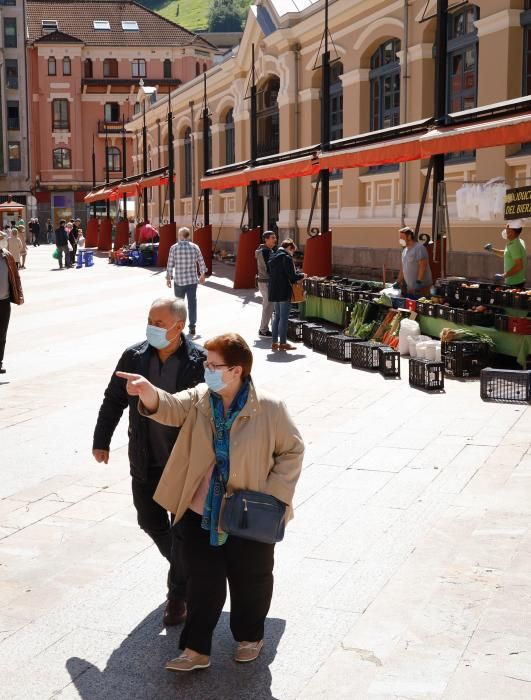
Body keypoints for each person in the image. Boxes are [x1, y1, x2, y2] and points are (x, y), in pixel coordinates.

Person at [116, 332, 304, 672]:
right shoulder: (202, 398)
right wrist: (149, 392)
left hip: (250, 511)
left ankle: (250, 636)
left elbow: (292, 450)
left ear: (237, 370)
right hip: (200, 508)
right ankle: (195, 649)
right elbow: (171, 407)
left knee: (252, 578)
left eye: (214, 365)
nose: (207, 370)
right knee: (202, 580)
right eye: (207, 363)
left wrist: (273, 496)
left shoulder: (270, 408)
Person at [93, 298, 206, 626]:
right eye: (150, 320)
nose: (152, 328)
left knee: (183, 530)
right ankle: (186, 570)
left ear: (178, 326)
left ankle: (178, 595)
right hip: (146, 457)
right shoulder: (134, 356)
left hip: (185, 463)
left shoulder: (198, 362)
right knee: (149, 520)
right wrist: (102, 440)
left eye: (159, 323)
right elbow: (113, 400)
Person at [166, 227, 207, 337]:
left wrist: (168, 278)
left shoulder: (174, 248)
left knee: (179, 305)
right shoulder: (195, 247)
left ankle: (178, 327)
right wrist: (202, 274)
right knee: (192, 304)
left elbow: (170, 264)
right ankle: (192, 327)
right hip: (192, 281)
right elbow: (201, 262)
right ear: (188, 236)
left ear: (180, 236)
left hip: (179, 281)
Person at [268, 238, 305, 351]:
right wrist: (302, 275)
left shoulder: (273, 256)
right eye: (293, 251)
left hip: (274, 290)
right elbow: (292, 277)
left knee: (277, 317)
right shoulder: (286, 258)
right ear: (289, 248)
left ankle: (274, 342)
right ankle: (283, 343)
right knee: (284, 318)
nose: (292, 253)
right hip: (284, 290)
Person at [0, 246, 24, 374]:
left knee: (2, 334)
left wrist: (18, 294)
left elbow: (15, 276)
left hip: (4, 302)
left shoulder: (7, 256)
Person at [484, 219, 527, 288]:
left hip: (514, 283)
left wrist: (503, 275)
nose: (505, 230)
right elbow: (508, 254)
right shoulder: (518, 241)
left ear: (512, 231)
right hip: (517, 281)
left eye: (507, 228)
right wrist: (492, 250)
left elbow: (519, 266)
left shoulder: (514, 245)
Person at [394, 226, 432, 296]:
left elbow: (422, 266)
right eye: (400, 238)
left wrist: (418, 282)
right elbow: (403, 268)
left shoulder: (419, 248)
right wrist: (398, 281)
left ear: (409, 236)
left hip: (422, 287)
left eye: (402, 237)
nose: (400, 240)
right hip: (411, 288)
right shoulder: (404, 251)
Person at [255, 230, 277, 337]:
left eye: (275, 237)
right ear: (266, 239)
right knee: (268, 306)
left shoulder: (265, 250)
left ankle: (264, 328)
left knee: (267, 305)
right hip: (266, 281)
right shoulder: (265, 252)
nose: (275, 240)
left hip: (264, 281)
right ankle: (263, 330)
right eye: (272, 238)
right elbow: (268, 268)